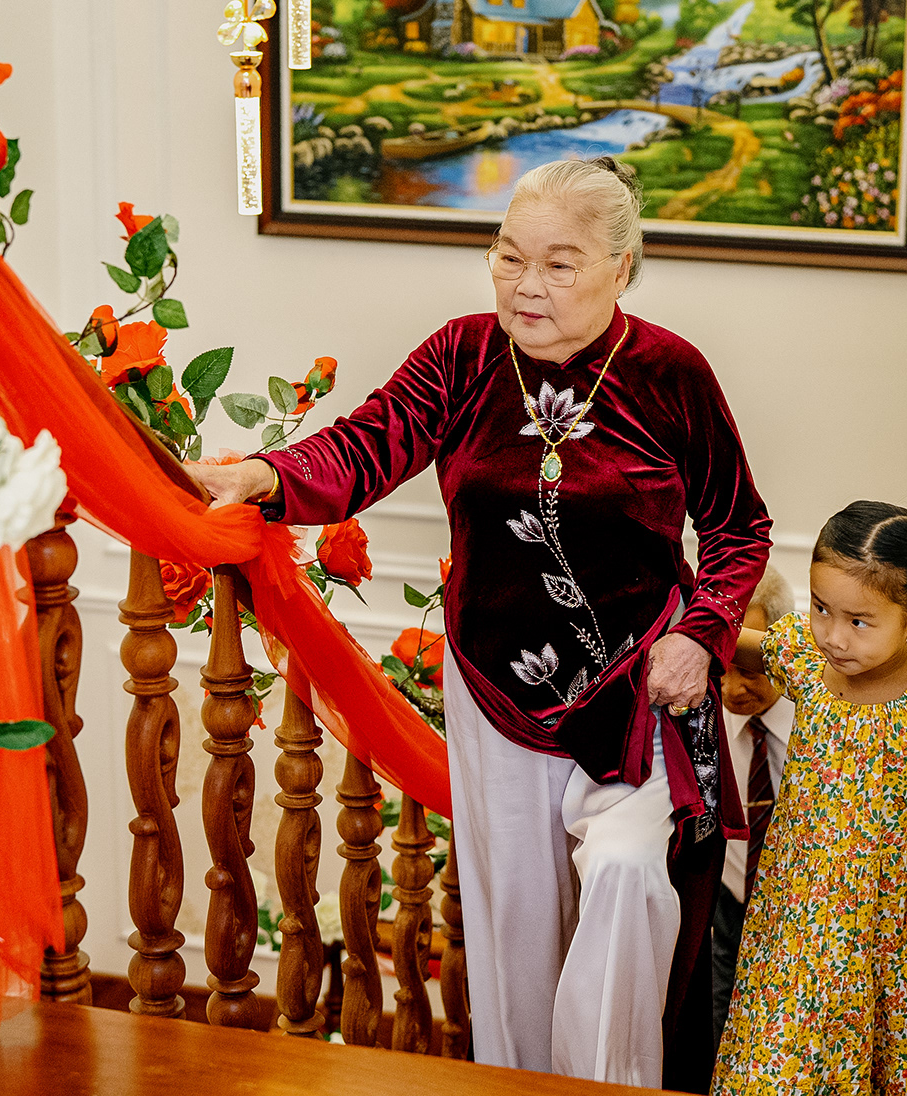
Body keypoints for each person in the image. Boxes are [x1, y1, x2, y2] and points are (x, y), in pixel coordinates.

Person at [188, 156, 771, 1090]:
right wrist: (261, 475)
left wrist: (699, 635)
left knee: (626, 871)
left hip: (637, 695)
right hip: (496, 687)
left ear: (620, 268)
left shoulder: (670, 372)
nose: (526, 285)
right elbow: (365, 445)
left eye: (559, 264)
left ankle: (613, 1087)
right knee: (515, 936)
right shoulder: (462, 355)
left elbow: (739, 526)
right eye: (508, 256)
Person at [711, 501, 907, 1096]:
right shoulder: (804, 658)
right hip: (796, 919)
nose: (832, 635)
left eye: (859, 621)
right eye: (821, 608)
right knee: (775, 1065)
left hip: (892, 931)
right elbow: (731, 638)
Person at [708, 569, 795, 1042]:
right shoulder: (703, 713)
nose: (731, 689)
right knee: (720, 1025)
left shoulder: (818, 722)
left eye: (748, 669)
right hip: (728, 900)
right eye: (721, 668)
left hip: (797, 904)